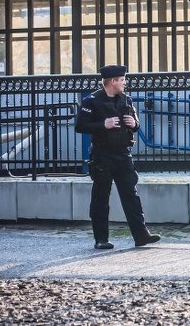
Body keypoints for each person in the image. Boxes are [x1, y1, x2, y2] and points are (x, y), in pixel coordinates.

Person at [76, 65, 160, 250]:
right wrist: (102, 124)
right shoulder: (92, 101)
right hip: (102, 156)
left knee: (131, 195)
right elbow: (80, 126)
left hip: (123, 154)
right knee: (100, 198)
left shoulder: (126, 99)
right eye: (122, 80)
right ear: (112, 81)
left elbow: (135, 123)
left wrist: (135, 124)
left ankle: (141, 236)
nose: (124, 83)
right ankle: (101, 239)